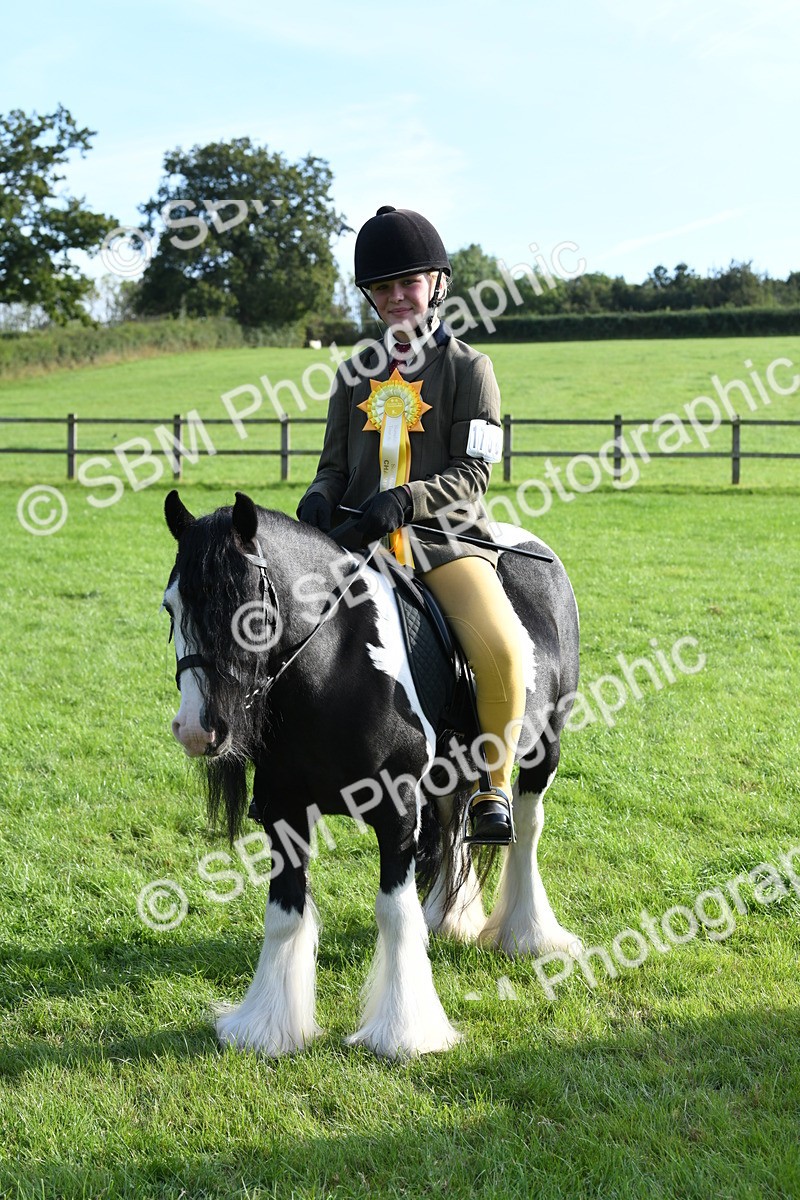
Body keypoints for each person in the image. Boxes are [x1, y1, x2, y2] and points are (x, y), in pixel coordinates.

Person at [297, 205, 526, 845]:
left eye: (409, 283)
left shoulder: (471, 370)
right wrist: (317, 499)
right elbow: (332, 467)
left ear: (437, 285)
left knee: (503, 650)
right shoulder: (352, 374)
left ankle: (493, 787)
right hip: (357, 540)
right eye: (383, 287)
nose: (397, 297)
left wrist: (405, 501)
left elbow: (474, 472)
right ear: (370, 297)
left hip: (443, 541)